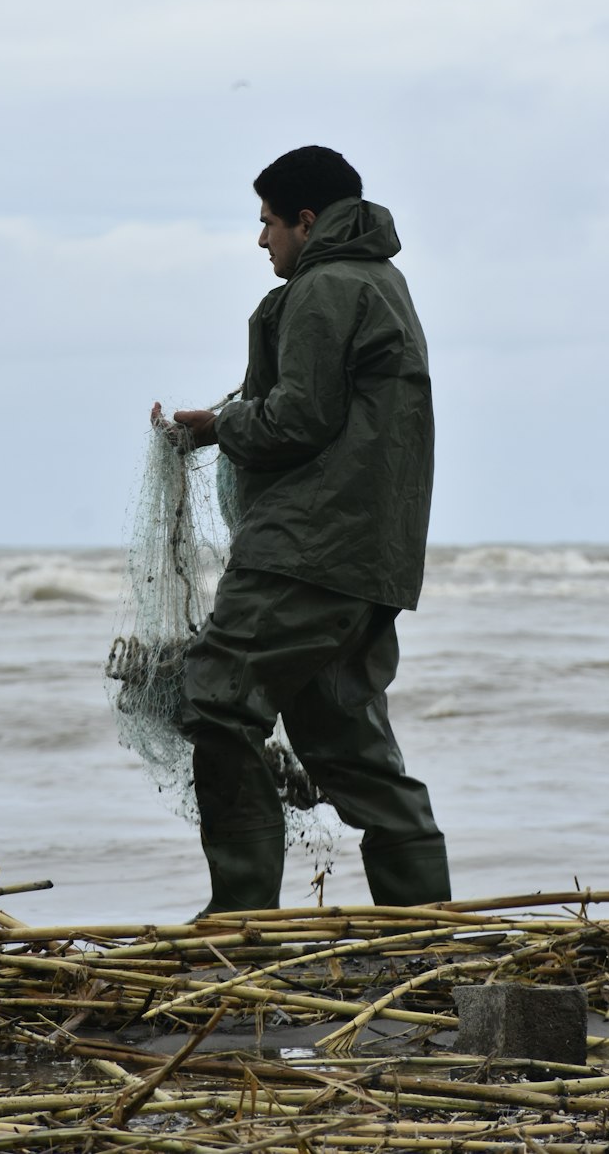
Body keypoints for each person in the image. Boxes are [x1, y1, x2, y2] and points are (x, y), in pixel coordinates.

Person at [172, 145, 450, 913]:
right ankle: (423, 926)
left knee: (217, 700)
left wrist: (225, 422)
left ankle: (240, 917)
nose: (261, 242)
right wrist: (224, 426)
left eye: (266, 223)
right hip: (368, 558)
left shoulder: (325, 286)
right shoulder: (380, 282)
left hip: (307, 548)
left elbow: (300, 418)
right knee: (348, 748)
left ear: (305, 220)